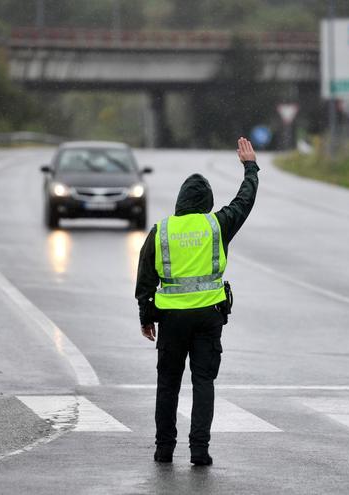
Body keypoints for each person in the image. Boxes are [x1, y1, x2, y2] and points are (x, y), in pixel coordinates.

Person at [135, 137, 260, 466]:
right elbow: (244, 201)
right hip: (208, 318)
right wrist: (250, 168)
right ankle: (199, 450)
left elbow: (145, 277)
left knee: (168, 384)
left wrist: (146, 316)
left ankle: (164, 450)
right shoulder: (216, 225)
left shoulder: (161, 231)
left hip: (172, 320)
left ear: (179, 202)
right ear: (206, 202)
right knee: (202, 382)